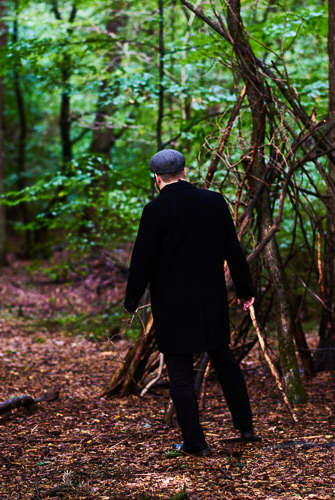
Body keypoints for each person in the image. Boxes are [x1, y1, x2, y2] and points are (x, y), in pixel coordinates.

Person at [124, 148, 257, 456]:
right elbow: (232, 250)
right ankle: (246, 426)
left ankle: (196, 444)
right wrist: (245, 288)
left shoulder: (155, 211)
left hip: (172, 305)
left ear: (156, 178)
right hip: (210, 299)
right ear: (184, 172)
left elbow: (141, 260)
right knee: (224, 360)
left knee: (180, 372)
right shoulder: (213, 202)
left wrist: (132, 300)